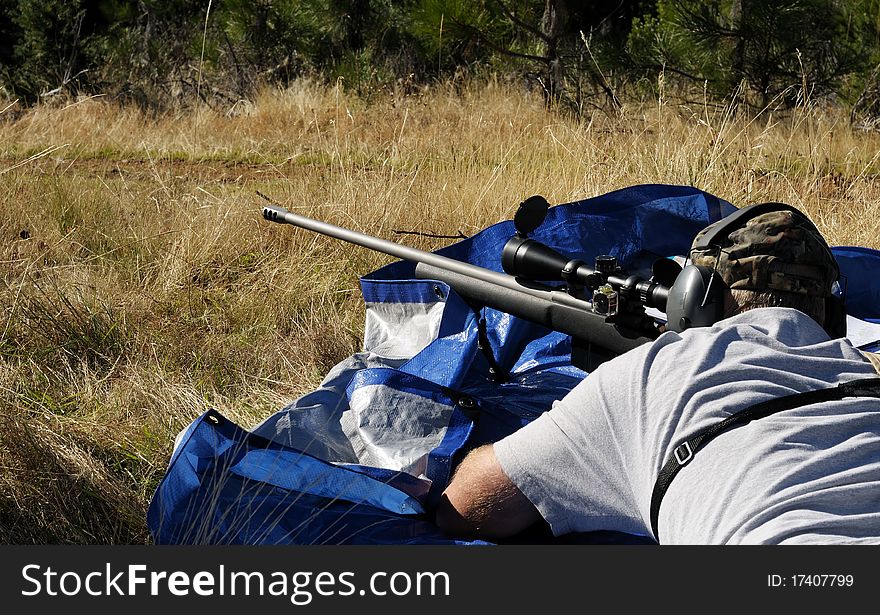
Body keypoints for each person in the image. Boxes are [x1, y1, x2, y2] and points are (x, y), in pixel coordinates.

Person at [434, 205, 880, 544]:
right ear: (833, 314)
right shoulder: (866, 375)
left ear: (691, 298)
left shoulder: (648, 376)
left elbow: (469, 507)